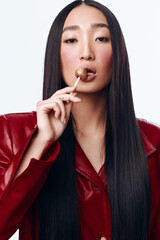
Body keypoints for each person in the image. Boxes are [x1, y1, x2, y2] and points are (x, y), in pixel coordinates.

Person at [0, 0, 159, 239]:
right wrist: (41, 141)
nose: (86, 53)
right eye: (71, 40)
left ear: (119, 54)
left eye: (101, 39)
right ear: (56, 53)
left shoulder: (154, 142)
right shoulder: (12, 133)